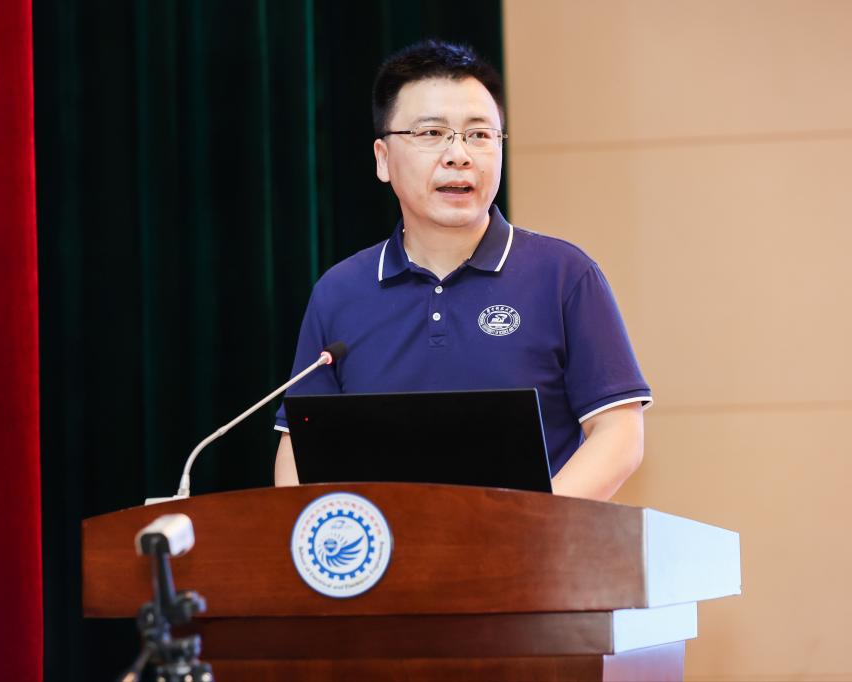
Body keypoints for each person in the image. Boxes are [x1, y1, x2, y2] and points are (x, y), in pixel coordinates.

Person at [273, 40, 651, 501]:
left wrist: (528, 526)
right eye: (432, 133)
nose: (459, 155)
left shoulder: (564, 276)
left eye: (479, 135)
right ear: (383, 159)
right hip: (386, 545)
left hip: (531, 543)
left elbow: (619, 434)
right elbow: (300, 449)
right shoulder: (340, 292)